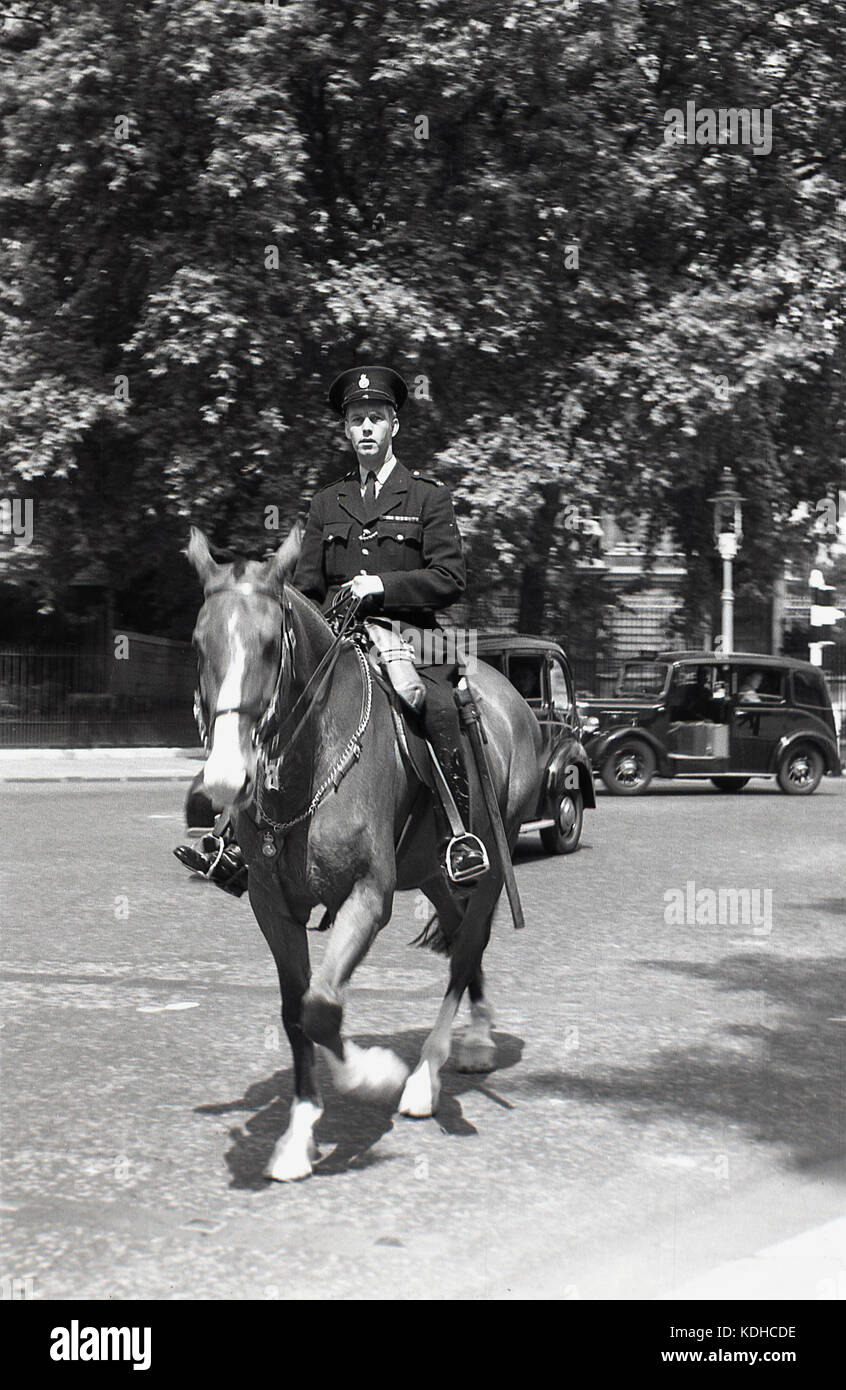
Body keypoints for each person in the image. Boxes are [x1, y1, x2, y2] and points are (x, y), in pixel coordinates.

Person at [176, 365, 487, 891]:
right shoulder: (326, 502)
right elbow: (311, 588)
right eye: (357, 419)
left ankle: (456, 834)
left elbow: (449, 578)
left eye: (376, 418)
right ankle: (232, 837)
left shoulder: (427, 498)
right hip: (338, 634)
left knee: (434, 705)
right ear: (347, 431)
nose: (366, 427)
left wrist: (380, 587)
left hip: (414, 634)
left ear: (394, 426)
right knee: (273, 701)